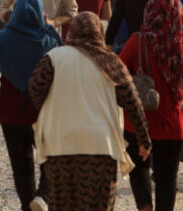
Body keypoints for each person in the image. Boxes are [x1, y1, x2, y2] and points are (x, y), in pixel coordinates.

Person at [29, 12, 152, 211]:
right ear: (99, 33)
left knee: (63, 205)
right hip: (100, 148)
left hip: (60, 145)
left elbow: (35, 93)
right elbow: (133, 103)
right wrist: (144, 140)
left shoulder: (53, 58)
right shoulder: (111, 62)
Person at [0, 0, 63, 211]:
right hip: (44, 114)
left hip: (11, 115)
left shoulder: (1, 40)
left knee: (22, 167)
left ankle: (27, 205)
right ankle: (42, 196)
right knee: (52, 159)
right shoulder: (51, 38)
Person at [120, 0, 183, 211]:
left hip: (140, 121)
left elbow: (119, 72)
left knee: (139, 168)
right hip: (173, 121)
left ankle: (145, 207)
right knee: (167, 177)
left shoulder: (138, 41)